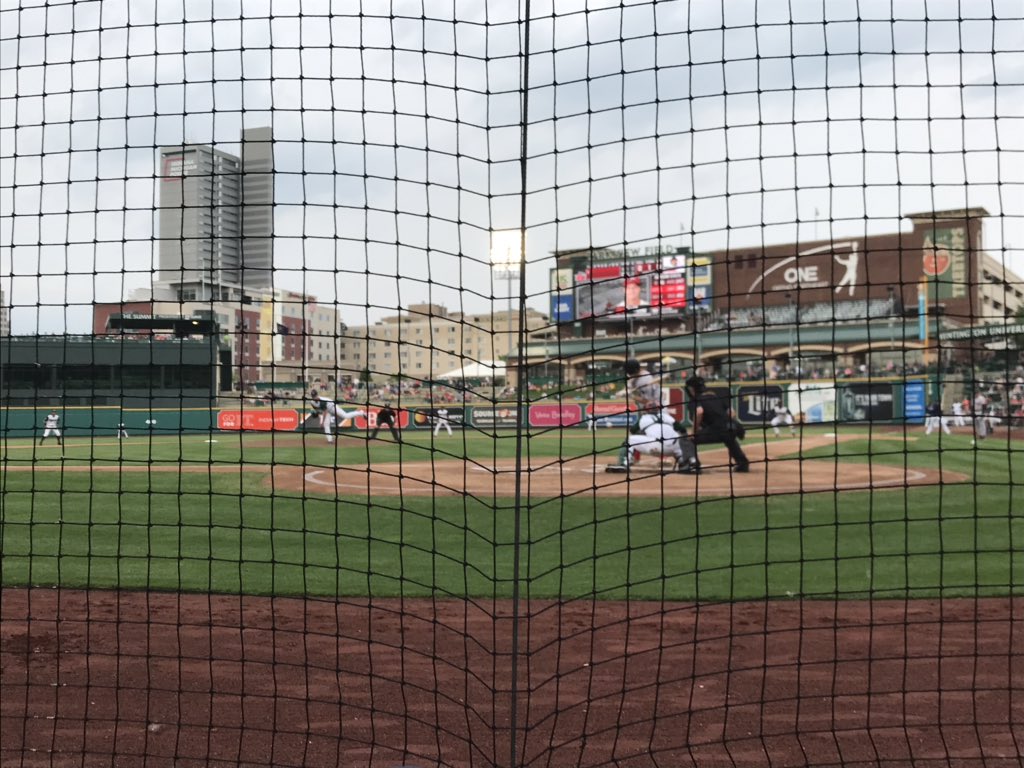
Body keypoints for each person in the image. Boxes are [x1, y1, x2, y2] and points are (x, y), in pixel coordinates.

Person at [685, 376, 749, 473]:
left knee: (687, 440)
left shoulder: (695, 399)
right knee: (729, 437)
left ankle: (693, 465)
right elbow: (732, 412)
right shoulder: (715, 395)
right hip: (733, 427)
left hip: (716, 430)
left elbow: (699, 412)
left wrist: (693, 432)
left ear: (691, 389)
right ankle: (743, 464)